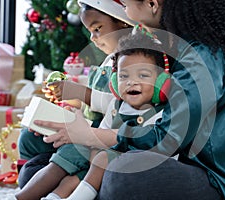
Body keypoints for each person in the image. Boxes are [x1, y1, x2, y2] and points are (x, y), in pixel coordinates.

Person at [31, 0, 225, 199]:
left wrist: (92, 135)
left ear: (152, 4)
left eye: (125, 4)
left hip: (210, 179)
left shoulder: (201, 57)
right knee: (37, 166)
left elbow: (167, 138)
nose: (123, 10)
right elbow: (129, 112)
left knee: (123, 176)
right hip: (147, 155)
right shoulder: (163, 44)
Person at [15, 0, 135, 199]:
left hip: (102, 136)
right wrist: (69, 106)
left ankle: (29, 193)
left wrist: (81, 93)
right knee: (29, 137)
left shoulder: (135, 62)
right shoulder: (107, 61)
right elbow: (90, 110)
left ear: (122, 22)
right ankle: (33, 180)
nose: (93, 38)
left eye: (97, 29)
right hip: (88, 128)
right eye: (90, 31)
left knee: (68, 162)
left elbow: (119, 105)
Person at [51, 27, 172, 200]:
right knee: (71, 179)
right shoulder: (117, 107)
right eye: (123, 76)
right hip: (105, 167)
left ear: (161, 81)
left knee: (102, 161)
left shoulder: (160, 115)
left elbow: (158, 148)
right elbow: (99, 139)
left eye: (143, 75)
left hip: (141, 171)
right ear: (114, 82)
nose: (132, 82)